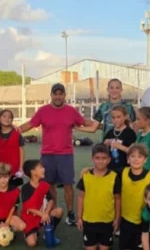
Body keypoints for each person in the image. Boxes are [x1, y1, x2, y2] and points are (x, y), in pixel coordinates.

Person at [19, 82, 98, 226]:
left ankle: (70, 213)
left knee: (68, 185)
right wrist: (13, 132)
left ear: (64, 96)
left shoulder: (71, 111)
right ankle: (53, 211)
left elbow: (84, 122)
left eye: (60, 94)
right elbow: (29, 125)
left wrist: (99, 124)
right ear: (51, 95)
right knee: (49, 185)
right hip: (48, 155)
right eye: (55, 93)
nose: (58, 96)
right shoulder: (43, 111)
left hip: (66, 155)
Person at [75, 143, 121, 250]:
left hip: (107, 220)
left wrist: (117, 219)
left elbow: (118, 199)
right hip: (89, 219)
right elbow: (81, 197)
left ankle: (105, 239)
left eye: (104, 158)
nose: (100, 161)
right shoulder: (86, 176)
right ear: (92, 160)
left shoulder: (114, 177)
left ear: (109, 160)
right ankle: (88, 238)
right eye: (97, 158)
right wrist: (79, 217)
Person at [103, 104, 137, 174]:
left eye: (118, 117)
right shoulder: (110, 132)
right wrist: (105, 144)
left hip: (125, 169)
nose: (116, 120)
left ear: (125, 117)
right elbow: (103, 151)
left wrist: (119, 146)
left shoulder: (130, 133)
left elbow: (134, 152)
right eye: (113, 117)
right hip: (110, 168)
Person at [0, 108, 25, 178]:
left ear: (12, 120)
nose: (7, 119)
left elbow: (21, 150)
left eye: (10, 117)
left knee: (13, 187)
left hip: (14, 167)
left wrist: (21, 167)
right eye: (4, 116)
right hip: (0, 167)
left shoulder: (16, 133)